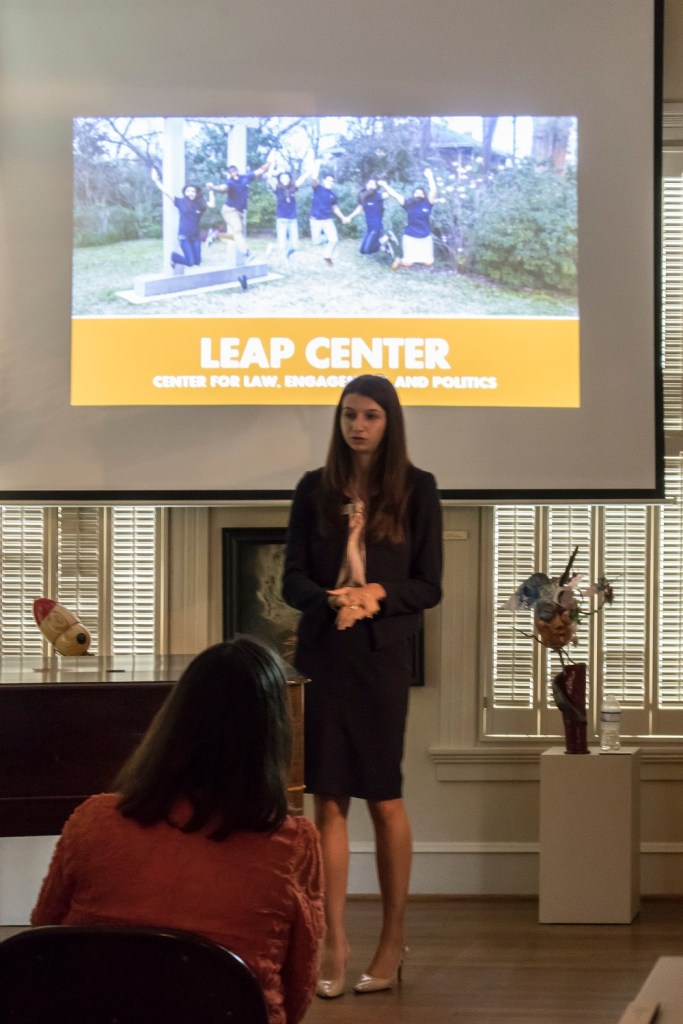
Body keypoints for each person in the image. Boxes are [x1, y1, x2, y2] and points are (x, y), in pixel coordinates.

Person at [31, 637, 325, 1024]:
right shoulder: (294, 845)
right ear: (273, 734)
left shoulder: (93, 820)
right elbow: (299, 988)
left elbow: (42, 943)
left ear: (175, 720)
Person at [283, 375, 443, 1000]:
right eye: (349, 415)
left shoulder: (418, 489)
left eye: (371, 416)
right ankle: (334, 941)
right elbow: (290, 578)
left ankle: (393, 939)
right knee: (328, 800)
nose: (358, 425)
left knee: (384, 799)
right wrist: (329, 598)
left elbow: (429, 585)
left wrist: (376, 594)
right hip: (326, 652)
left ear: (389, 422)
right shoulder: (312, 490)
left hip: (378, 660)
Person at [206, 160, 270, 261]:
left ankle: (216, 236)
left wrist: (269, 163)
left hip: (240, 212)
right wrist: (213, 188)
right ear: (229, 174)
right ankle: (247, 253)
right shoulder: (230, 183)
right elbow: (222, 188)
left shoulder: (245, 177)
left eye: (234, 170)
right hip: (229, 210)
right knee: (238, 231)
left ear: (237, 170)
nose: (233, 173)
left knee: (238, 235)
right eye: (230, 172)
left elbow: (261, 170)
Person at [379, 168, 437, 270]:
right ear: (413, 194)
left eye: (421, 192)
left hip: (425, 236)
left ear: (424, 195)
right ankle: (399, 261)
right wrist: (384, 185)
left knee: (429, 262)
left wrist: (430, 177)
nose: (419, 193)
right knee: (408, 263)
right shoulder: (408, 204)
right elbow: (394, 195)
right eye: (417, 192)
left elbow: (433, 191)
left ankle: (406, 260)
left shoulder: (428, 204)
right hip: (410, 236)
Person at [151, 167, 207, 270]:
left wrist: (212, 191)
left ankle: (176, 258)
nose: (191, 193)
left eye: (193, 191)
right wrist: (156, 181)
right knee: (190, 262)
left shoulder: (200, 204)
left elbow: (211, 204)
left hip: (195, 237)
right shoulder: (180, 202)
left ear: (196, 193)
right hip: (184, 236)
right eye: (188, 191)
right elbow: (166, 192)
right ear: (185, 192)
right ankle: (174, 257)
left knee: (197, 262)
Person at [308, 160, 346, 267]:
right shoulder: (318, 188)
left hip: (327, 220)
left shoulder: (333, 195)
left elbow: (335, 208)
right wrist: (318, 165)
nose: (330, 182)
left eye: (332, 181)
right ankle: (325, 239)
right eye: (328, 180)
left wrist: (342, 217)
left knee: (334, 240)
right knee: (316, 242)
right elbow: (314, 178)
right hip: (315, 220)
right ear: (324, 181)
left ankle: (327, 256)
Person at [345, 178, 396, 257]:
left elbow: (391, 194)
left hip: (376, 227)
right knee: (362, 251)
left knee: (367, 250)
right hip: (369, 228)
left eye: (374, 184)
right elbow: (360, 208)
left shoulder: (378, 196)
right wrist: (349, 217)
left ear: (376, 187)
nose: (372, 186)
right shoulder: (364, 198)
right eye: (370, 184)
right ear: (366, 185)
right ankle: (385, 248)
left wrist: (384, 185)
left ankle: (388, 237)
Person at [268, 169, 307, 257]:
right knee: (281, 246)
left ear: (289, 179)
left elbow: (301, 180)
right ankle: (272, 247)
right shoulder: (277, 188)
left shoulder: (292, 189)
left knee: (295, 246)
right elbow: (269, 177)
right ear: (280, 180)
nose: (285, 179)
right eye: (283, 178)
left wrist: (308, 172)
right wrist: (272, 162)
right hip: (282, 219)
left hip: (293, 219)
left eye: (287, 178)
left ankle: (288, 255)